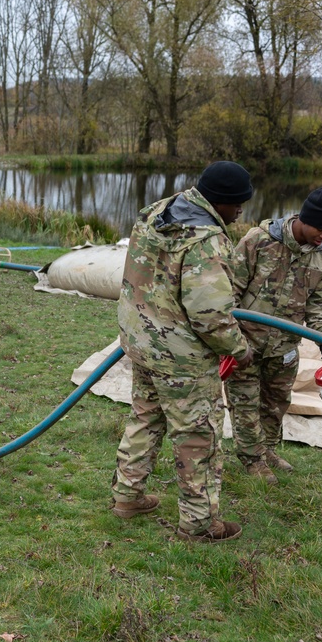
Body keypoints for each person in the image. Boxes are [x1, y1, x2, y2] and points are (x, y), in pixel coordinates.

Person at [111, 161, 255, 544]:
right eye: (237, 205)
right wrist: (240, 350)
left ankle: (127, 496)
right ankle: (200, 525)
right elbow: (210, 315)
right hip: (179, 357)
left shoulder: (158, 210)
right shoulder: (205, 241)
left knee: (146, 415)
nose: (240, 212)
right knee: (198, 436)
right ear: (220, 202)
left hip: (142, 340)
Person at [226, 184, 322, 485]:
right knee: (246, 402)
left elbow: (320, 311)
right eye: (320, 228)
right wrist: (228, 339)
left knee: (276, 402)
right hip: (245, 344)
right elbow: (229, 293)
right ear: (303, 219)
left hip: (284, 349)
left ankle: (268, 451)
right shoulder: (258, 242)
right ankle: (252, 460)